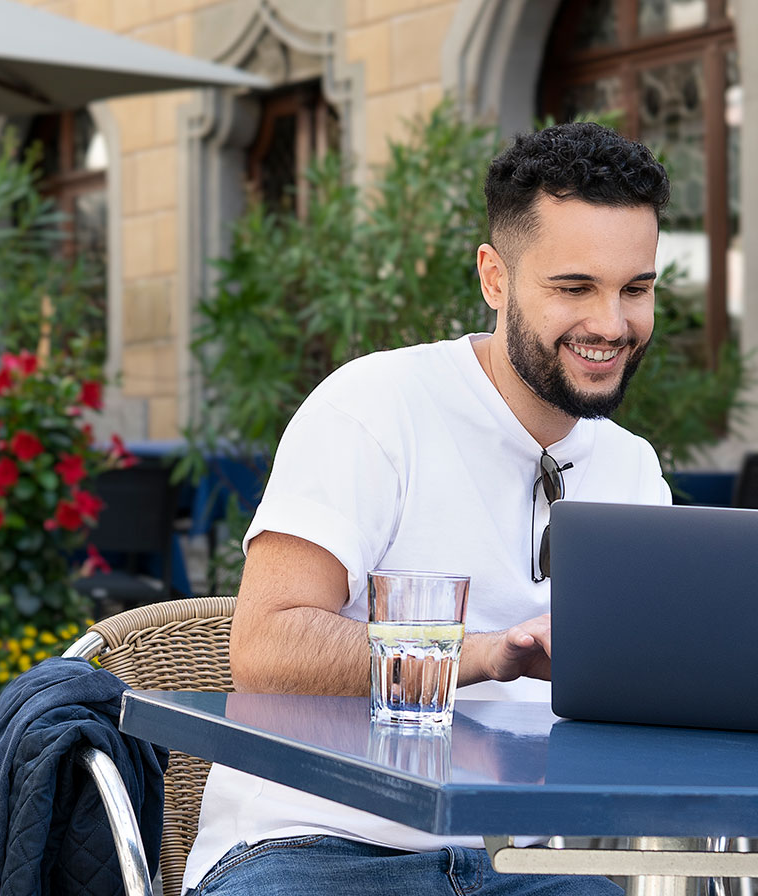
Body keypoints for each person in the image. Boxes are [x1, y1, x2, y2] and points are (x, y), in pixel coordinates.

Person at [182, 121, 673, 895]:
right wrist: (483, 654)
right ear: (495, 278)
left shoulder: (633, 469)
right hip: (314, 848)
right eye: (575, 287)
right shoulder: (374, 406)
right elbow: (266, 644)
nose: (611, 325)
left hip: (514, 865)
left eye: (635, 290)